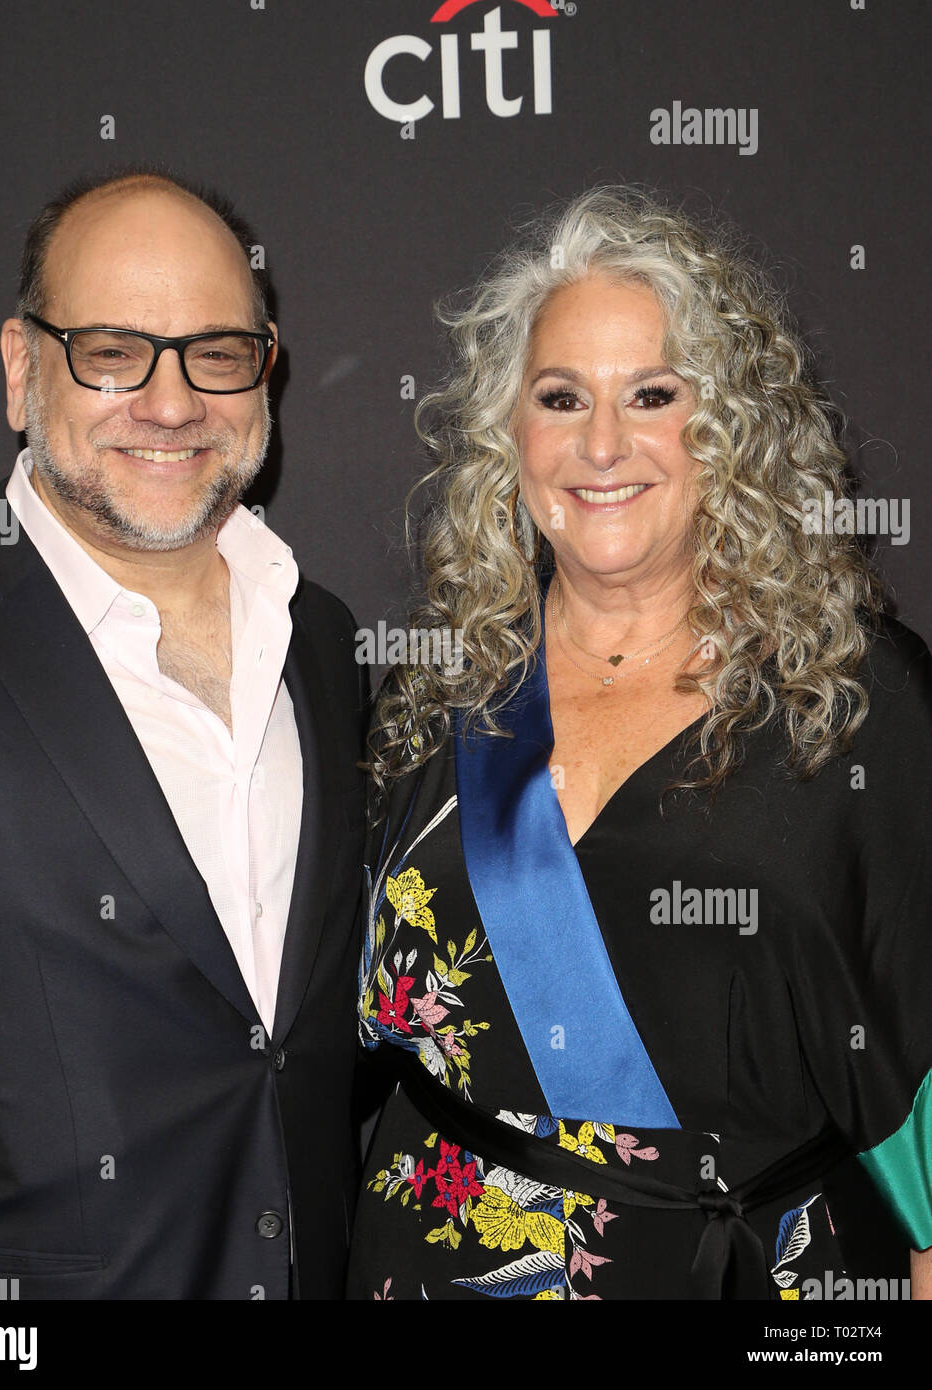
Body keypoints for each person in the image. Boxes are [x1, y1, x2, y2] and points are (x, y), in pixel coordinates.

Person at [351, 186, 932, 1301]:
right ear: (507, 433)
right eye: (560, 397)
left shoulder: (856, 696)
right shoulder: (436, 691)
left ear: (727, 429)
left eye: (651, 394)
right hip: (433, 1263)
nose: (601, 444)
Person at [0, 169, 366, 1300]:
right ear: (21, 369)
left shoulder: (325, 642)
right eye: (111, 350)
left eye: (214, 351)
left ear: (266, 370)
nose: (169, 401)